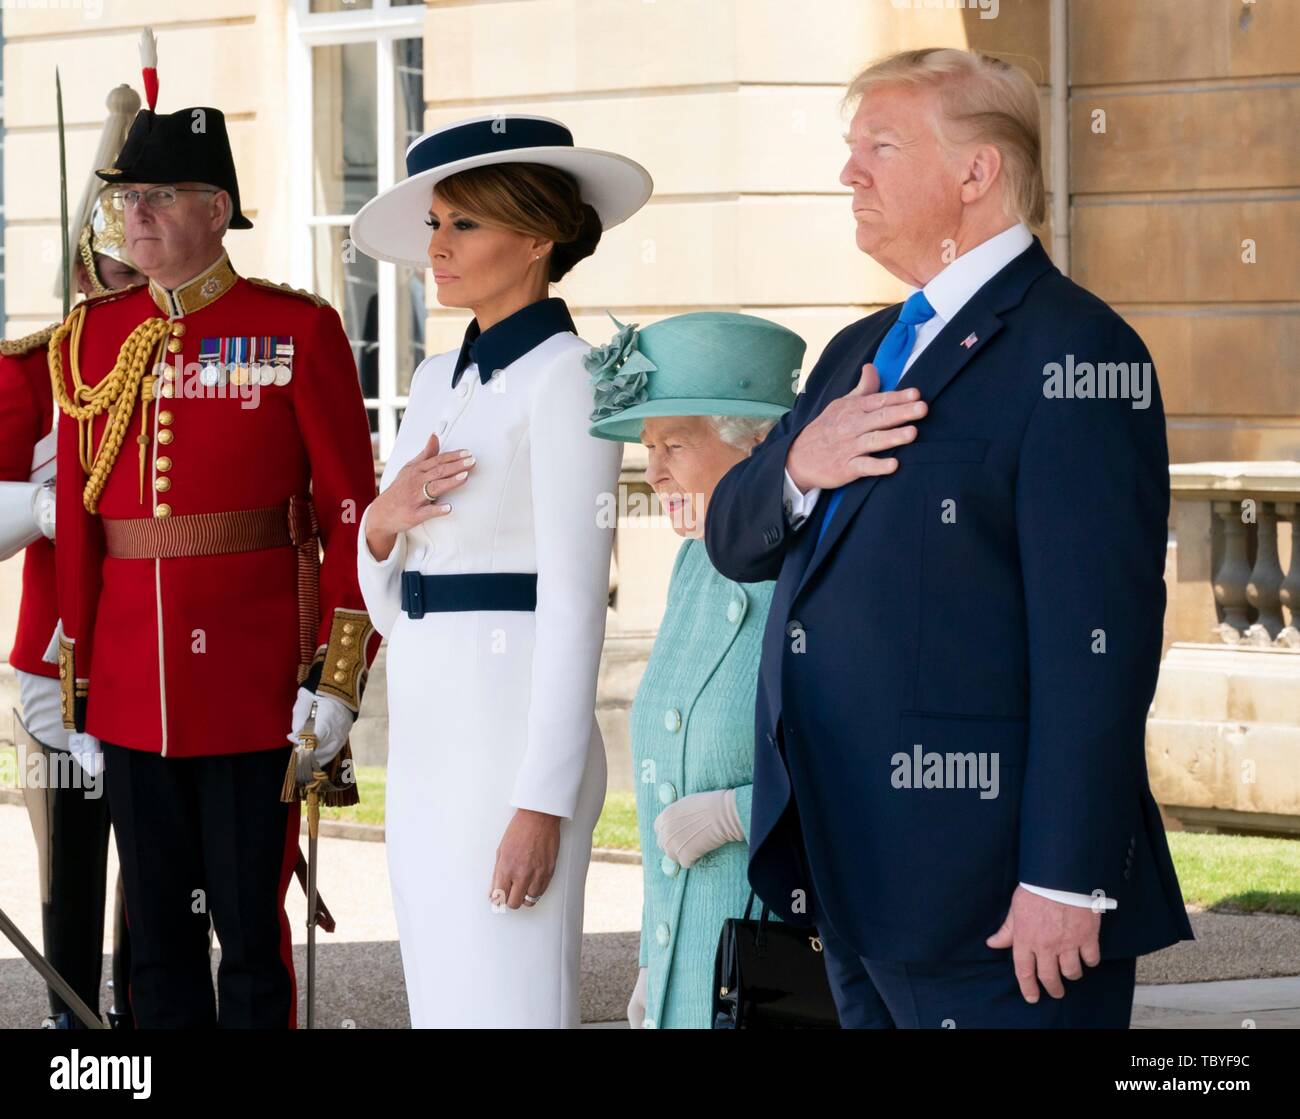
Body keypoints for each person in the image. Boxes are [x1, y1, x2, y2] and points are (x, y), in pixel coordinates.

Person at [704, 48, 1193, 1029]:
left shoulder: (1077, 351)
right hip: (851, 880)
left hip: (996, 903)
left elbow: (1097, 643)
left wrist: (1067, 878)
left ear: (975, 174)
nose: (850, 173)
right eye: (851, 150)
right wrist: (801, 464)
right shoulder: (860, 348)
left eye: (879, 147)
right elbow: (733, 538)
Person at [50, 96, 380, 1029]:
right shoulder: (92, 341)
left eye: (158, 195)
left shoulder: (296, 332)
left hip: (252, 686)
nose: (135, 215)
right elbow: (81, 525)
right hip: (127, 688)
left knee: (247, 932)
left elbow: (348, 510)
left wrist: (341, 674)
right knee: (152, 941)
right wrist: (79, 690)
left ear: (216, 206)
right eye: (127, 198)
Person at [352, 114, 651, 1027]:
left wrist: (543, 799)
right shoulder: (438, 376)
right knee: (441, 997)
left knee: (510, 1000)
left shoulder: (572, 375)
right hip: (429, 726)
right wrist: (379, 524)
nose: (434, 247)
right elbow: (395, 607)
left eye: (462, 225)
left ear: (536, 238)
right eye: (434, 224)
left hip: (511, 738)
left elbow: (575, 596)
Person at [586, 311, 805, 1028]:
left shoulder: (813, 575)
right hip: (684, 965)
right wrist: (654, 957)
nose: (650, 472)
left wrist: (735, 812)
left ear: (757, 443)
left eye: (673, 443)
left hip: (774, 966)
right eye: (647, 447)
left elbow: (861, 763)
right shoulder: (692, 566)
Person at [0, 83, 145, 1029]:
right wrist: (48, 502)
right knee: (69, 868)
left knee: (167, 869)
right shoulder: (29, 365)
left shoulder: (200, 351)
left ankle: (145, 1010)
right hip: (56, 661)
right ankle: (70, 1024)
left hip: (166, 661)